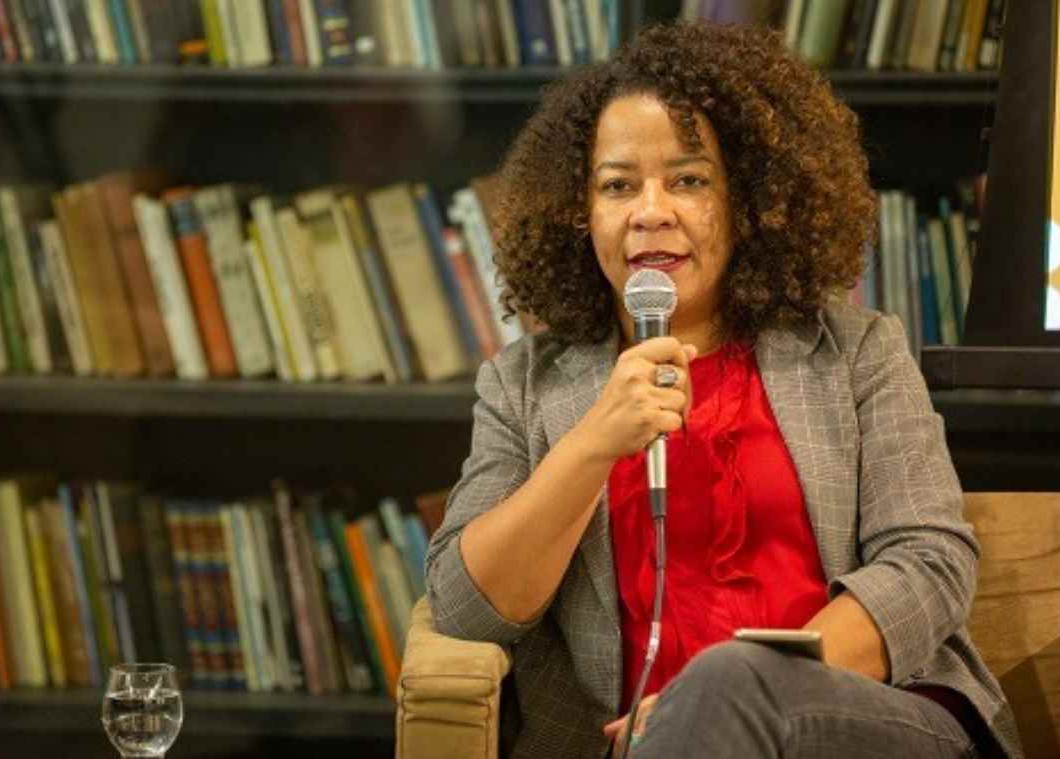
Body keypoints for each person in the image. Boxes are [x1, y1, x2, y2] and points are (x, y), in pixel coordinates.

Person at [425, 21, 1021, 759]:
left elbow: (929, 561)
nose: (650, 210)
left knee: (724, 682)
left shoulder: (856, 351)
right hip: (628, 745)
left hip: (859, 724)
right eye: (618, 185)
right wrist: (591, 445)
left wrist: (725, 695)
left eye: (688, 180)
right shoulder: (523, 385)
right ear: (580, 214)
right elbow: (465, 609)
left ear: (749, 201)